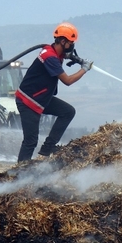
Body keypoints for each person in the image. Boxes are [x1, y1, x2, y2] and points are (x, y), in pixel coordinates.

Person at [15, 22, 92, 162]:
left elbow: (59, 57)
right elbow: (67, 81)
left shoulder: (53, 53)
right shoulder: (50, 57)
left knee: (68, 111)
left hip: (41, 98)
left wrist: (74, 58)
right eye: (70, 42)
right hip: (28, 101)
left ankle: (47, 148)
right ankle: (19, 174)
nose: (72, 45)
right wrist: (84, 69)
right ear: (62, 41)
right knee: (30, 141)